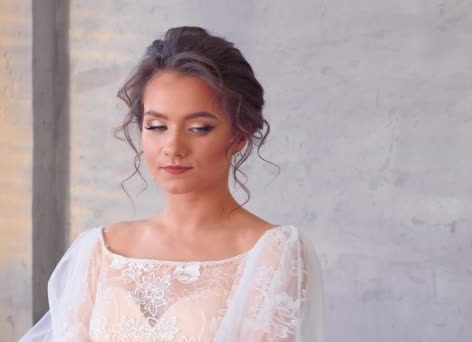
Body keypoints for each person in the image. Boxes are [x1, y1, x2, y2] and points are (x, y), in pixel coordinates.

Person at [20, 26, 325, 341]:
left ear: (240, 136)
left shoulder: (272, 253)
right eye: (156, 126)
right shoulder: (99, 250)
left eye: (199, 128)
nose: (173, 147)